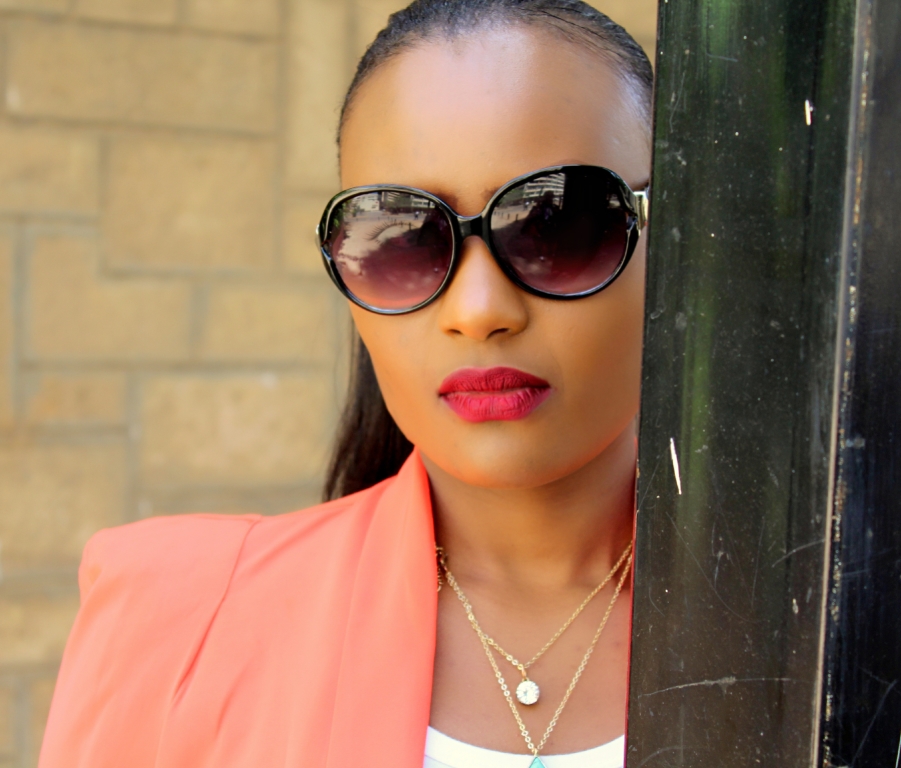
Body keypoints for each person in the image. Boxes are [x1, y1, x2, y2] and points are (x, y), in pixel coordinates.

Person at [38, 1, 653, 767]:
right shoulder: (177, 622)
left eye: (559, 226)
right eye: (402, 239)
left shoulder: (799, 618)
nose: (478, 311)